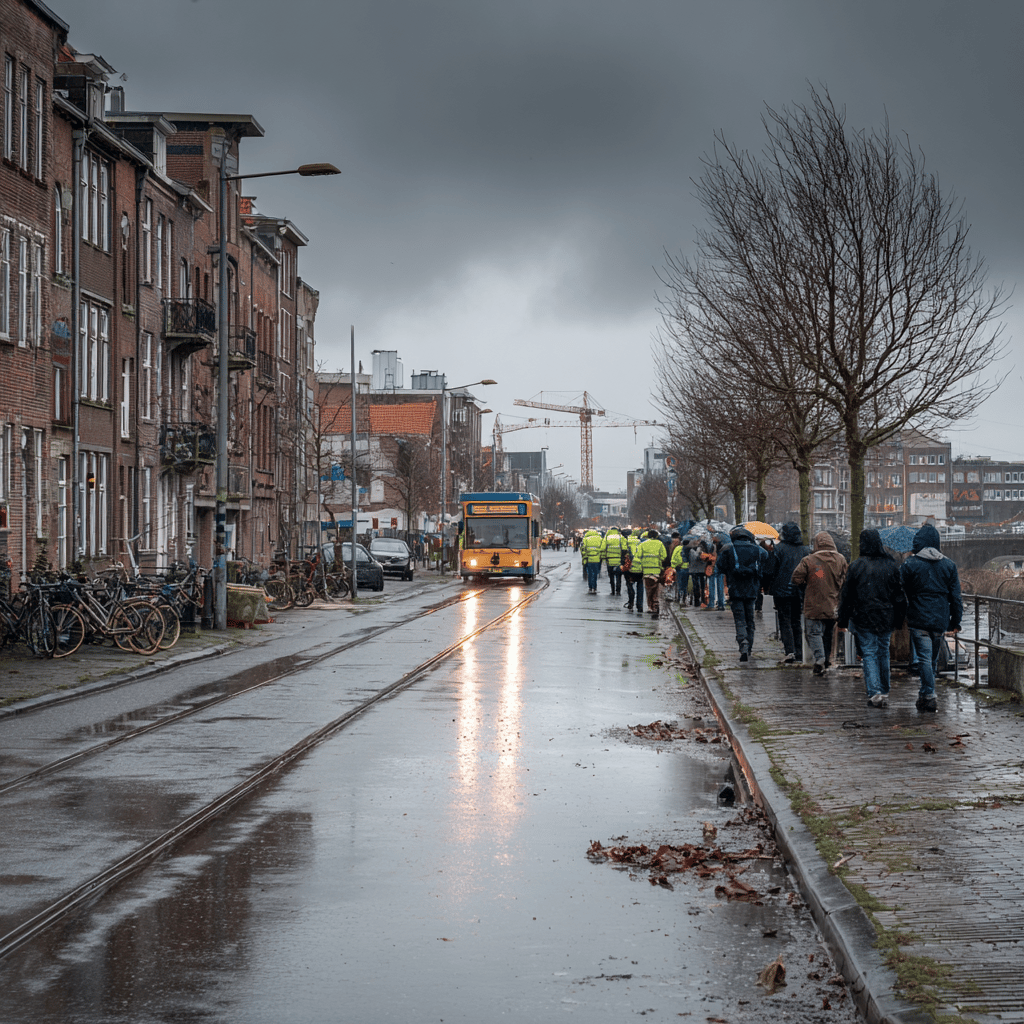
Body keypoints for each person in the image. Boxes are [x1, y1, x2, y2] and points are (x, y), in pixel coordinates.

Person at [837, 528, 906, 709]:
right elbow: (899, 596)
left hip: (864, 616)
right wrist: (899, 619)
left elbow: (847, 596)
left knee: (869, 653)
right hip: (886, 616)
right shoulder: (891, 566)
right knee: (883, 651)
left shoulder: (857, 566)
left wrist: (842, 620)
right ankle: (884, 688)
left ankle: (874, 692)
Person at [899, 523, 962, 713]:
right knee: (931, 660)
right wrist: (955, 621)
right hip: (939, 620)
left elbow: (900, 592)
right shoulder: (949, 565)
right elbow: (955, 597)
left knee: (925, 659)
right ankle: (925, 693)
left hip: (918, 618)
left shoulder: (910, 564)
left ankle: (929, 695)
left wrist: (902, 613)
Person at [791, 532, 848, 676]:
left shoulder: (809, 560)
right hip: (833, 603)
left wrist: (807, 583)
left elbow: (796, 578)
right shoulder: (840, 559)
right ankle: (827, 660)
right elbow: (846, 578)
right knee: (828, 633)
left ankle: (820, 658)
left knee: (814, 633)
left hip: (813, 603)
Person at [716, 527, 771, 662]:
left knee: (739, 619)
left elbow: (720, 566)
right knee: (750, 619)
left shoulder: (728, 548)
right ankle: (750, 646)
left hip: (735, 589)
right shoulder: (757, 549)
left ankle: (743, 644)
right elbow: (766, 556)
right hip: (752, 589)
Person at [771, 522, 809, 663]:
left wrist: (771, 585)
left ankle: (790, 650)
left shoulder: (778, 549)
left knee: (784, 621)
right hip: (798, 591)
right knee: (796, 621)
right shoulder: (805, 550)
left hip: (781, 591)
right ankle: (799, 651)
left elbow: (772, 569)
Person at [637, 528, 668, 619]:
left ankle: (650, 607)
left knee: (648, 589)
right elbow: (664, 556)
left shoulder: (643, 544)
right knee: (655, 589)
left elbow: (638, 555)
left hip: (646, 571)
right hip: (656, 571)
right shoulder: (660, 544)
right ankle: (655, 604)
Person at [602, 526, 626, 596]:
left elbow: (603, 548)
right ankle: (618, 590)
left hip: (609, 560)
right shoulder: (620, 537)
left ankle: (612, 591)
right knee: (618, 576)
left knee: (611, 576)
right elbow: (624, 548)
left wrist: (604, 557)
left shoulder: (607, 537)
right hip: (618, 560)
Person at [580, 528, 603, 594]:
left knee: (589, 574)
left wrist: (584, 557)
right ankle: (594, 587)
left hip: (589, 559)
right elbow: (602, 549)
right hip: (597, 559)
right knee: (595, 574)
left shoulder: (585, 539)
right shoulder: (599, 538)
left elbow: (582, 549)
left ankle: (590, 587)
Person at [708, 533, 726, 610]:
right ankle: (721, 604)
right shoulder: (724, 546)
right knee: (720, 586)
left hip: (713, 566)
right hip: (721, 567)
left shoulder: (712, 546)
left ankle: (711, 603)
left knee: (712, 585)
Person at [671, 538, 690, 605]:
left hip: (679, 568)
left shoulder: (678, 548)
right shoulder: (690, 549)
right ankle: (684, 598)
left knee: (679, 583)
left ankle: (679, 597)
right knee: (685, 584)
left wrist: (675, 566)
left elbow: (674, 557)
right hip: (687, 569)